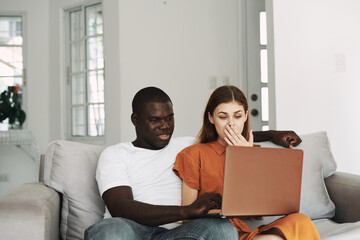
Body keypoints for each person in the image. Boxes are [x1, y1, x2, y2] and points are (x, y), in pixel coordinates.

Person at [85, 86, 303, 240]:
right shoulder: (115, 154)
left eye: (169, 118)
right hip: (131, 230)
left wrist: (274, 134)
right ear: (135, 120)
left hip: (179, 234)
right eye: (155, 120)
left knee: (223, 229)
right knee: (110, 231)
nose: (165, 126)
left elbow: (227, 132)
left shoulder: (188, 145)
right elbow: (121, 207)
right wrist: (186, 211)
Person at [173, 85, 320, 240]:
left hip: (246, 233)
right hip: (217, 231)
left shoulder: (254, 151)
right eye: (223, 117)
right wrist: (221, 212)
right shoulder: (193, 154)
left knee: (301, 220)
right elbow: (187, 216)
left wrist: (248, 157)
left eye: (237, 116)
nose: (231, 124)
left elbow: (263, 205)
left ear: (245, 116)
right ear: (211, 118)